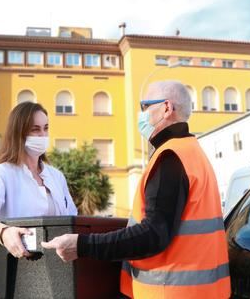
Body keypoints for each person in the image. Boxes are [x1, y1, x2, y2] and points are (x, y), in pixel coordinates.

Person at [42, 80, 230, 298]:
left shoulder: (170, 158)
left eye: (145, 106)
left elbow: (152, 234)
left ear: (167, 108)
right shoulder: (193, 153)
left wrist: (82, 245)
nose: (141, 115)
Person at [0, 102, 78, 299]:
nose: (42, 136)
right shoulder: (2, 174)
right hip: (16, 279)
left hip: (58, 279)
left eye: (45, 128)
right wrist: (2, 232)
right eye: (35, 130)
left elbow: (72, 220)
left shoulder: (56, 177)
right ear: (19, 133)